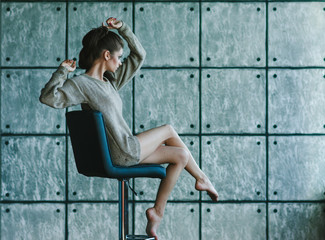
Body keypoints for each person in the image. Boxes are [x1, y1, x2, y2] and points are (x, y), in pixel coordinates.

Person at [40, 17, 219, 240]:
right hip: (124, 150)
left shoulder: (110, 82)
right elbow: (49, 98)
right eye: (119, 57)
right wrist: (62, 72)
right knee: (169, 129)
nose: (121, 62)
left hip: (126, 148)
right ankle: (202, 178)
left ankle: (156, 214)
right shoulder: (81, 84)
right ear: (107, 55)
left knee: (181, 155)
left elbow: (140, 55)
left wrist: (123, 28)